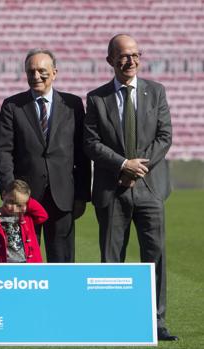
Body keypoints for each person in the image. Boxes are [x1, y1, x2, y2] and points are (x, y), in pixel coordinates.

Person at [83, 34, 176, 341]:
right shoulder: (96, 98)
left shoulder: (156, 91)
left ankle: (156, 320)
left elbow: (164, 137)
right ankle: (113, 319)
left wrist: (137, 169)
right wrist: (123, 165)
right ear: (110, 60)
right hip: (112, 191)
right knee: (111, 258)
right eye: (123, 56)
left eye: (135, 55)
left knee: (156, 254)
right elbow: (91, 143)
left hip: (150, 189)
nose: (130, 60)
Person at [0, 49, 91, 263]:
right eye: (31, 71)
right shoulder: (13, 105)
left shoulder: (73, 105)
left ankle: (63, 297)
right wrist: (10, 194)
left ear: (54, 73)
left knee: (63, 262)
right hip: (23, 200)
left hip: (62, 197)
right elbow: (3, 152)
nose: (36, 76)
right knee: (20, 260)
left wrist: (81, 195)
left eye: (42, 71)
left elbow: (82, 155)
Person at [0, 180, 47, 263]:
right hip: (2, 266)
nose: (13, 208)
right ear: (4, 194)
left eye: (19, 204)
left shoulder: (26, 216)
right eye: (11, 202)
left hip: (26, 264)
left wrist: (25, 200)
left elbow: (43, 216)